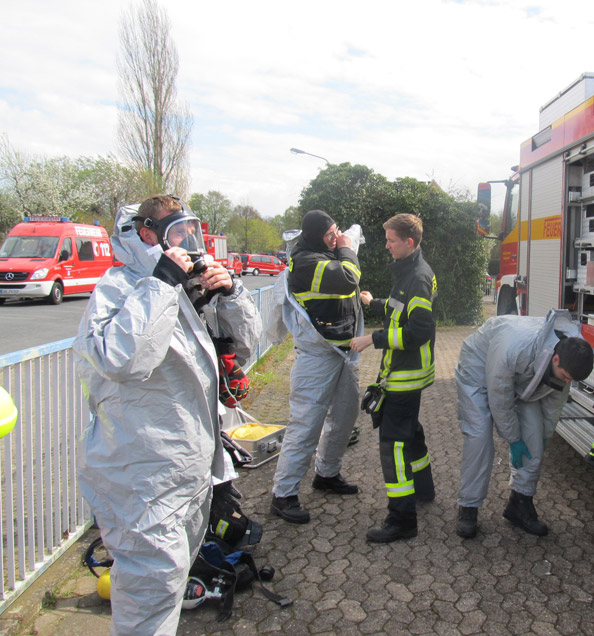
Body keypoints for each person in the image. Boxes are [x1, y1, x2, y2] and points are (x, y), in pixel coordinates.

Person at [74, 195, 261, 636]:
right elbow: (123, 361)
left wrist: (230, 294)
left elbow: (247, 348)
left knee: (169, 586)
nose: (189, 243)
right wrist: (161, 283)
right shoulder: (120, 289)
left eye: (192, 232)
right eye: (177, 233)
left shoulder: (183, 289)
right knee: (149, 595)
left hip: (191, 472)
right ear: (147, 235)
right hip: (142, 478)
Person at [454, 310, 594, 538]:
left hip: (521, 374)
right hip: (477, 367)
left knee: (534, 435)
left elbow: (553, 405)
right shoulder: (514, 347)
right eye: (565, 376)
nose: (567, 382)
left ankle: (520, 504)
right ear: (555, 359)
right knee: (479, 436)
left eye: (570, 380)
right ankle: (468, 507)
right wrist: (513, 439)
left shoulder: (567, 359)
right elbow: (500, 398)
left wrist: (544, 436)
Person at [267, 209, 363, 524]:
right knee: (306, 425)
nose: (336, 239)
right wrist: (347, 246)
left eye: (337, 232)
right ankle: (283, 495)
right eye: (330, 235)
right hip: (315, 356)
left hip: (341, 352)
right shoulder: (306, 262)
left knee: (346, 415)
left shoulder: (325, 254)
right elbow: (347, 277)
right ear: (314, 236)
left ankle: (327, 473)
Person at [350, 213, 437, 543]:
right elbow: (403, 309)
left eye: (391, 240)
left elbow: (418, 330)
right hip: (407, 373)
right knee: (410, 433)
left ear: (409, 242)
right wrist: (376, 304)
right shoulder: (411, 273)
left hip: (405, 375)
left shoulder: (417, 277)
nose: (386, 245)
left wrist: (373, 339)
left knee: (394, 445)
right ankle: (424, 490)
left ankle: (402, 519)